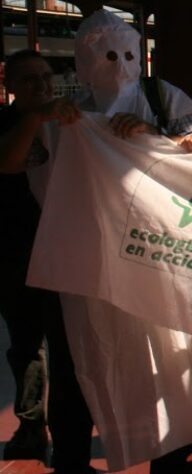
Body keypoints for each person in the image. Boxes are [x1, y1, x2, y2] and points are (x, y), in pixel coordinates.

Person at [17, 9, 192, 474]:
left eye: (128, 54)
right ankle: (74, 460)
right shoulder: (67, 117)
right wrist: (55, 124)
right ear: (85, 61)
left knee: (164, 353)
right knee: (80, 360)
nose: (120, 66)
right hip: (87, 263)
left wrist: (150, 139)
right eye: (107, 56)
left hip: (151, 254)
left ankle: (172, 455)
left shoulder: (160, 98)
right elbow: (32, 170)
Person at [0, 51, 59, 462]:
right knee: (26, 344)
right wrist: (36, 119)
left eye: (46, 78)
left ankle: (70, 428)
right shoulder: (5, 124)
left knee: (70, 345)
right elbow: (8, 162)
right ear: (11, 87)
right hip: (13, 250)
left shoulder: (73, 123)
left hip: (64, 247)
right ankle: (32, 425)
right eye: (29, 80)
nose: (41, 87)